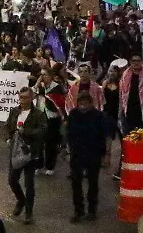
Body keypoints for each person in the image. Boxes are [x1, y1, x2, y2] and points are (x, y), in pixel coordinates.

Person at [64, 91, 110, 222]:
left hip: (94, 154)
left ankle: (92, 210)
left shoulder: (99, 116)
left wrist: (107, 154)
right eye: (80, 103)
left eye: (85, 103)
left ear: (91, 103)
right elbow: (67, 132)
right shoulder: (73, 114)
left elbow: (107, 136)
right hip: (77, 154)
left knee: (93, 183)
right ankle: (78, 210)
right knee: (76, 183)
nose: (83, 106)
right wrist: (63, 147)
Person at [5, 87, 46, 224]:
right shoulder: (14, 111)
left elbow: (42, 131)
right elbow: (7, 127)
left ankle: (29, 212)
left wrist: (25, 131)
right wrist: (7, 138)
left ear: (32, 98)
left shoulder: (38, 114)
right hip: (16, 151)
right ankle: (20, 200)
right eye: (21, 97)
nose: (23, 101)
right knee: (12, 180)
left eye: (26, 98)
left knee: (29, 184)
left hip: (30, 153)